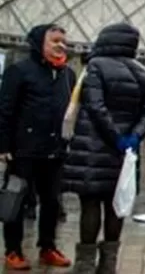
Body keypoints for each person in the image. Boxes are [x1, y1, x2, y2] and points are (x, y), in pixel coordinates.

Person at [62, 22, 145, 274]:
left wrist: (113, 135)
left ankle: (84, 265)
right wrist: (133, 137)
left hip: (93, 148)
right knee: (116, 205)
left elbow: (95, 106)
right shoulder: (143, 73)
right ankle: (108, 265)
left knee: (91, 203)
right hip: (126, 153)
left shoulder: (95, 66)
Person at [0, 24, 76, 270]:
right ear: (38, 43)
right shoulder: (19, 71)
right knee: (17, 200)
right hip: (24, 149)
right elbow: (5, 111)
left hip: (55, 150)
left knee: (52, 202)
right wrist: (3, 145)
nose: (60, 45)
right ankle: (13, 250)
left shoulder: (68, 75)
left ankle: (47, 246)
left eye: (63, 41)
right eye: (54, 40)